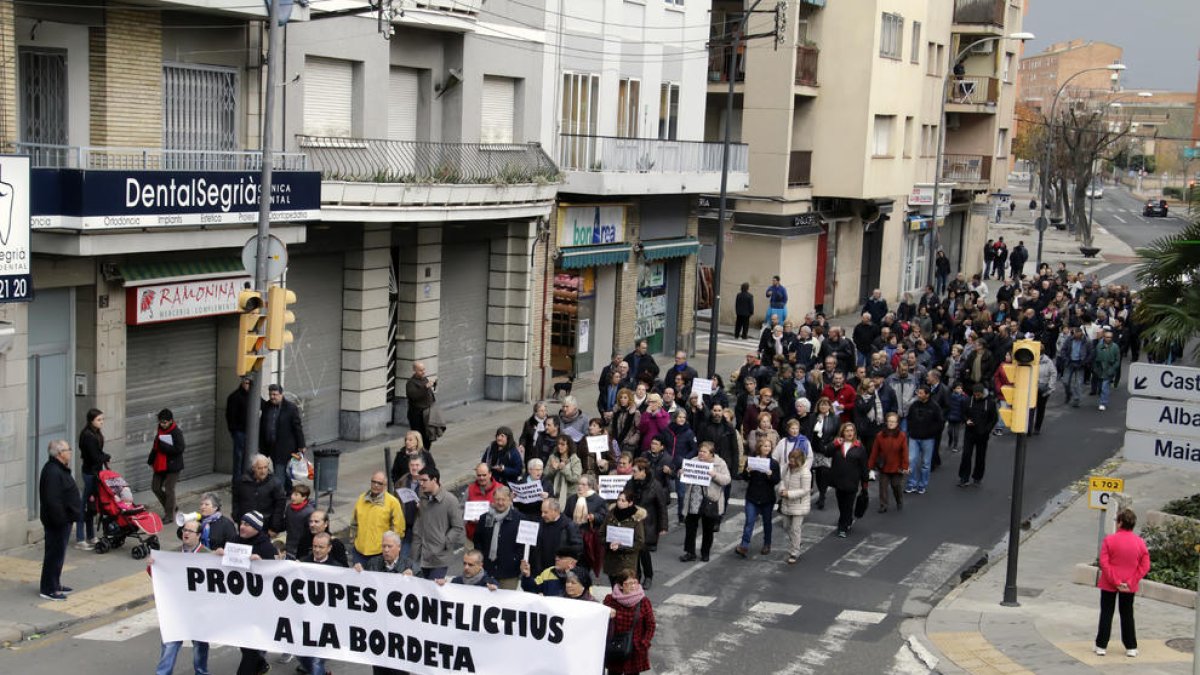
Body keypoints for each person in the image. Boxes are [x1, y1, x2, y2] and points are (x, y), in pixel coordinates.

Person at [216, 511, 278, 675]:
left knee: (249, 649)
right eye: (242, 523)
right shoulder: (235, 541)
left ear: (257, 528)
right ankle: (261, 665)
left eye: (247, 524)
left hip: (258, 607)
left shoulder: (266, 547)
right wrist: (218, 556)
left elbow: (276, 578)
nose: (242, 527)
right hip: (239, 604)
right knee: (244, 645)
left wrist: (263, 564)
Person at [152, 520, 210, 675]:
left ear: (199, 535)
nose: (186, 533)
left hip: (199, 611)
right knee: (170, 643)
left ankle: (201, 671)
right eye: (185, 530)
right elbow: (159, 576)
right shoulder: (172, 555)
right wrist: (153, 565)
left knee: (200, 645)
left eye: (190, 531)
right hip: (176, 610)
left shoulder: (208, 556)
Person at [1093, 508, 1150, 658]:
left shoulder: (1109, 540)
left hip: (1109, 583)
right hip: (1129, 586)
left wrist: (1115, 581)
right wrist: (1130, 581)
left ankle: (1101, 646)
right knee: (1127, 614)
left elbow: (1104, 563)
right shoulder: (1139, 542)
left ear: (1120, 523)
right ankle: (1131, 646)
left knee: (1106, 613)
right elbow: (1145, 565)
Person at [39, 440, 81, 601]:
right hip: (57, 523)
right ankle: (48, 589)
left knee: (58, 555)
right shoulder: (52, 472)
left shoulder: (57, 469)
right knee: (53, 556)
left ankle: (55, 584)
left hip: (62, 521)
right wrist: (62, 520)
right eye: (67, 449)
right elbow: (52, 501)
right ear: (59, 454)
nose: (70, 451)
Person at [679, 442, 731, 562]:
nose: (701, 454)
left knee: (708, 529)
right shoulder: (693, 460)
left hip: (710, 500)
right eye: (700, 451)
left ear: (711, 454)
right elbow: (686, 477)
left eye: (704, 452)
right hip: (694, 500)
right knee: (690, 527)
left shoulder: (719, 463)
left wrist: (715, 475)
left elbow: (727, 479)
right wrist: (681, 473)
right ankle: (690, 552)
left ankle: (705, 553)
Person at [411, 466, 464, 580]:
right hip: (422, 556)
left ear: (434, 480)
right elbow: (421, 523)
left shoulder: (450, 500)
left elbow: (458, 527)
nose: (421, 483)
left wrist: (444, 542)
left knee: (433, 590)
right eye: (420, 480)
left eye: (424, 480)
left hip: (439, 558)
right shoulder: (423, 498)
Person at [603, 571, 656, 675]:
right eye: (629, 583)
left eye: (635, 582)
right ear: (620, 586)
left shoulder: (643, 601)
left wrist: (644, 643)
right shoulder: (610, 600)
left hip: (634, 649)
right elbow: (602, 622)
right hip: (615, 647)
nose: (633, 586)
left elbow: (651, 625)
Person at [349, 470, 406, 567]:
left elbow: (398, 530)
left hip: (379, 554)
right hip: (359, 552)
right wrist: (353, 541)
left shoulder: (393, 502)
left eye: (379, 483)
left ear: (385, 485)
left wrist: (389, 550)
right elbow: (354, 523)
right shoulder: (361, 498)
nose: (375, 485)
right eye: (373, 482)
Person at [735, 438, 780, 558]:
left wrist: (771, 475)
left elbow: (776, 480)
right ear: (759, 447)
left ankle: (767, 543)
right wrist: (747, 472)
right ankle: (744, 545)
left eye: (768, 446)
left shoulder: (774, 463)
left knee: (767, 522)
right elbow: (744, 477)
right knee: (749, 521)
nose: (767, 448)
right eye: (764, 446)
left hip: (767, 498)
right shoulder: (751, 461)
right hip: (752, 496)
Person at [472, 486, 523, 589]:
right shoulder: (484, 518)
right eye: (497, 499)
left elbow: (523, 545)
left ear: (509, 500)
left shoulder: (520, 519)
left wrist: (515, 560)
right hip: (487, 571)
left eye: (503, 499)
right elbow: (478, 541)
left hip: (509, 573)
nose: (500, 503)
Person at [628, 458, 668, 587]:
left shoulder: (655, 485)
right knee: (634, 552)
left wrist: (663, 526)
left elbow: (662, 506)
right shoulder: (630, 483)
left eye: (634, 471)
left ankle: (648, 576)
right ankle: (637, 576)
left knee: (643, 551)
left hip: (648, 523)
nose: (632, 473)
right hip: (632, 522)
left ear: (643, 472)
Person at [259, 384, 306, 491]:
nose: (272, 397)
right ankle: (289, 490)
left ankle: (278, 496)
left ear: (281, 395)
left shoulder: (290, 408)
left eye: (275, 394)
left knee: (279, 472)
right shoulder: (267, 406)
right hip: (271, 446)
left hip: (285, 447)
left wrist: (301, 445)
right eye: (270, 394)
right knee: (281, 470)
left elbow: (297, 427)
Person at [76, 408, 110, 551]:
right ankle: (80, 538)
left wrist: (103, 457)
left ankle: (91, 535)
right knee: (85, 505)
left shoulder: (95, 433)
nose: (101, 422)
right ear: (91, 421)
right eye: (99, 420)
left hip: (96, 472)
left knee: (92, 505)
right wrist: (105, 457)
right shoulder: (88, 436)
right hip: (90, 473)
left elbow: (98, 453)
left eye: (102, 419)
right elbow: (94, 456)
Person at [231, 454, 286, 537]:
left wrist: (275, 527)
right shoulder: (242, 482)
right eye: (260, 468)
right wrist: (236, 516)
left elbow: (280, 506)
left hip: (265, 526)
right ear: (253, 468)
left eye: (265, 467)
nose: (263, 471)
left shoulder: (275, 483)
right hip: (245, 524)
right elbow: (236, 500)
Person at [830, 423, 869, 538]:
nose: (849, 433)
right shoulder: (838, 444)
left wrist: (865, 484)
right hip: (839, 482)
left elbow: (864, 467)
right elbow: (827, 452)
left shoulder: (859, 447)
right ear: (842, 432)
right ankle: (847, 519)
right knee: (841, 505)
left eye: (851, 430)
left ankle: (842, 527)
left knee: (848, 505)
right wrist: (835, 444)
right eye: (847, 431)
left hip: (852, 482)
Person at [145, 408, 185, 520]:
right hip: (160, 464)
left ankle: (169, 515)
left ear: (171, 421)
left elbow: (180, 448)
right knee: (155, 487)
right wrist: (150, 460)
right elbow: (155, 447)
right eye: (160, 422)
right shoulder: (160, 431)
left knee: (169, 489)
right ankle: (172, 507)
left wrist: (165, 447)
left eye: (165, 422)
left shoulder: (176, 432)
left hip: (173, 466)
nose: (162, 424)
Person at [565, 475, 609, 577]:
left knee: (585, 565)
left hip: (588, 538)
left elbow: (604, 517)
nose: (580, 487)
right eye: (579, 484)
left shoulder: (598, 500)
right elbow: (566, 516)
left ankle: (584, 585)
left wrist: (594, 517)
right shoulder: (572, 499)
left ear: (590, 486)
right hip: (573, 536)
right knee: (573, 565)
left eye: (583, 484)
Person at [904, 385, 944, 495]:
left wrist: (931, 432)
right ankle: (911, 483)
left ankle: (922, 485)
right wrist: (911, 430)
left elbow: (940, 422)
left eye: (921, 393)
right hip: (914, 437)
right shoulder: (914, 405)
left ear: (927, 394)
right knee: (911, 460)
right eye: (918, 392)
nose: (918, 395)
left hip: (928, 439)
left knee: (926, 464)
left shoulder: (934, 407)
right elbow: (909, 418)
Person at [601, 491, 646, 587]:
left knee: (625, 588)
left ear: (630, 503)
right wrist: (609, 543)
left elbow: (639, 542)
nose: (619, 502)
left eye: (623, 500)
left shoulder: (636, 518)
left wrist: (621, 547)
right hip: (612, 560)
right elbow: (601, 534)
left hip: (627, 562)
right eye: (618, 499)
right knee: (614, 587)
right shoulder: (610, 515)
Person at [867, 413, 908, 513]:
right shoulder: (880, 435)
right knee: (883, 487)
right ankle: (883, 505)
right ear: (886, 422)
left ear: (897, 423)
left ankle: (899, 500)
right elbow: (874, 452)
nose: (891, 423)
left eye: (893, 421)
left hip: (897, 467)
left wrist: (905, 466)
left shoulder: (902, 436)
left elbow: (905, 452)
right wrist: (870, 467)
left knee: (896, 485)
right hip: (884, 466)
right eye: (889, 421)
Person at [530, 498, 583, 575]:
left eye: (545, 512)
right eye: (542, 512)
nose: (542, 515)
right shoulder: (539, 523)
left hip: (560, 572)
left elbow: (578, 548)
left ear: (555, 511)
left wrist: (565, 563)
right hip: (540, 571)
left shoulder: (569, 525)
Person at [959, 384, 998, 487]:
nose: (976, 396)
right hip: (970, 433)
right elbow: (963, 413)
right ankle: (964, 477)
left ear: (982, 393)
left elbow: (994, 419)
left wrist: (987, 430)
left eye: (978, 395)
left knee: (980, 457)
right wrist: (966, 420)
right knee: (966, 455)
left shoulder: (990, 403)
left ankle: (977, 477)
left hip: (982, 435)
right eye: (975, 395)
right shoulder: (967, 401)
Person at [806, 397, 839, 510]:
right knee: (818, 473)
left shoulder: (835, 418)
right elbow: (809, 432)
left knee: (825, 471)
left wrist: (831, 445)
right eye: (821, 405)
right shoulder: (812, 417)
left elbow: (838, 433)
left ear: (830, 406)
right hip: (815, 448)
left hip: (827, 448)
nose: (824, 407)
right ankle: (821, 491)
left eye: (826, 405)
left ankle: (822, 496)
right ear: (818, 406)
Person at [520, 546, 584, 597]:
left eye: (561, 557)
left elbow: (586, 600)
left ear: (572, 562)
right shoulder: (548, 572)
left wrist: (569, 575)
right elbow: (532, 589)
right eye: (556, 556)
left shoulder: (582, 576)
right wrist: (527, 576)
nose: (556, 559)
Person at [406, 361, 437, 450]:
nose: (423, 372)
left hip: (427, 413)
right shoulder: (411, 383)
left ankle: (426, 451)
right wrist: (425, 387)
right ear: (414, 370)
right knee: (419, 436)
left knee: (429, 435)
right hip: (417, 415)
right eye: (420, 370)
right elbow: (414, 396)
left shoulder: (425, 379)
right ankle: (419, 452)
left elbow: (429, 394)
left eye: (423, 369)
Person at [225, 376, 251, 478]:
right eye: (246, 383)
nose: (247, 385)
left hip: (250, 432)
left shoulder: (253, 395)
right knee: (239, 457)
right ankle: (237, 481)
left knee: (248, 457)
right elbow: (230, 415)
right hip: (240, 431)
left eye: (249, 383)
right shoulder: (235, 397)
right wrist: (234, 430)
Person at [545, 436, 583, 503]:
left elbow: (575, 478)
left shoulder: (575, 460)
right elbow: (545, 475)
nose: (559, 446)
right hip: (554, 493)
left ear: (569, 446)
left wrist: (564, 469)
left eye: (562, 444)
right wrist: (554, 469)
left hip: (569, 496)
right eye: (558, 444)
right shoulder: (552, 457)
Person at [284, 484, 315, 558]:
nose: (292, 497)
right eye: (292, 494)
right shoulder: (289, 508)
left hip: (302, 548)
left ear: (304, 497)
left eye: (296, 495)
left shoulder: (310, 512)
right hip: (289, 544)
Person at [1093, 329, 1121, 412]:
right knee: (1101, 387)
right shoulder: (1099, 346)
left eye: (1110, 337)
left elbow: (1117, 360)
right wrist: (1095, 369)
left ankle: (1103, 403)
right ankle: (1102, 398)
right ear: (1104, 337)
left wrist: (1112, 370)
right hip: (1099, 370)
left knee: (1105, 387)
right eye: (1107, 337)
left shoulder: (1115, 347)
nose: (1108, 338)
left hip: (1109, 370)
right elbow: (1095, 358)